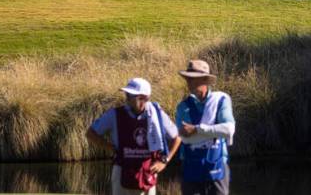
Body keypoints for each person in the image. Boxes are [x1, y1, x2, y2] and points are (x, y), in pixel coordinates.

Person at [87, 77, 181, 195]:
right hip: (122, 170)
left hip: (148, 171)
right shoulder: (114, 114)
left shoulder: (157, 114)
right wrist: (111, 148)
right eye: (127, 94)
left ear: (144, 98)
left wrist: (164, 161)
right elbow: (91, 133)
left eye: (130, 95)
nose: (126, 97)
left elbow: (177, 137)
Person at [175, 59, 236, 195]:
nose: (188, 82)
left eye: (192, 78)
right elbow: (185, 139)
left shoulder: (221, 100)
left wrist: (196, 130)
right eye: (187, 78)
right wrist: (214, 131)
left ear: (204, 80)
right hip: (191, 171)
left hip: (217, 170)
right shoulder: (182, 107)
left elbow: (229, 129)